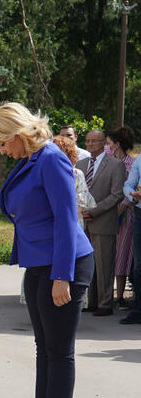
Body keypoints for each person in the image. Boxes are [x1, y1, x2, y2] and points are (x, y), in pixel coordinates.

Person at [0, 102, 94, 398]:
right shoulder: (29, 160)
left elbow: (65, 218)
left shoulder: (51, 158)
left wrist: (62, 276)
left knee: (59, 352)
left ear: (17, 133)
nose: (2, 151)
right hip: (39, 264)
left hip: (64, 264)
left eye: (2, 143)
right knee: (44, 351)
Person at [77, 130, 126, 316]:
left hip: (103, 221)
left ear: (104, 142)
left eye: (94, 141)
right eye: (87, 141)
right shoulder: (80, 164)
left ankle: (105, 304)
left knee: (104, 264)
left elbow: (117, 194)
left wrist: (94, 211)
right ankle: (91, 300)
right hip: (82, 222)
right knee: (86, 263)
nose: (90, 144)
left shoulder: (116, 165)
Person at [106, 127, 135, 309]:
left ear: (117, 144)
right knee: (106, 252)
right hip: (106, 210)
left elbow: (130, 188)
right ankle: (105, 292)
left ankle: (121, 294)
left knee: (122, 253)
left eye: (109, 143)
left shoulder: (130, 163)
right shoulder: (107, 160)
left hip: (124, 213)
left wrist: (122, 206)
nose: (106, 146)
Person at [52, 135, 96, 229]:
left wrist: (66, 222)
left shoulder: (76, 174)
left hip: (71, 222)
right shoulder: (47, 173)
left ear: (68, 153)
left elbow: (80, 204)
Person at [121, 154, 141, 324]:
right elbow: (128, 184)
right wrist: (132, 194)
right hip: (140, 214)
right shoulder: (140, 159)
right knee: (138, 267)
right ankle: (139, 309)